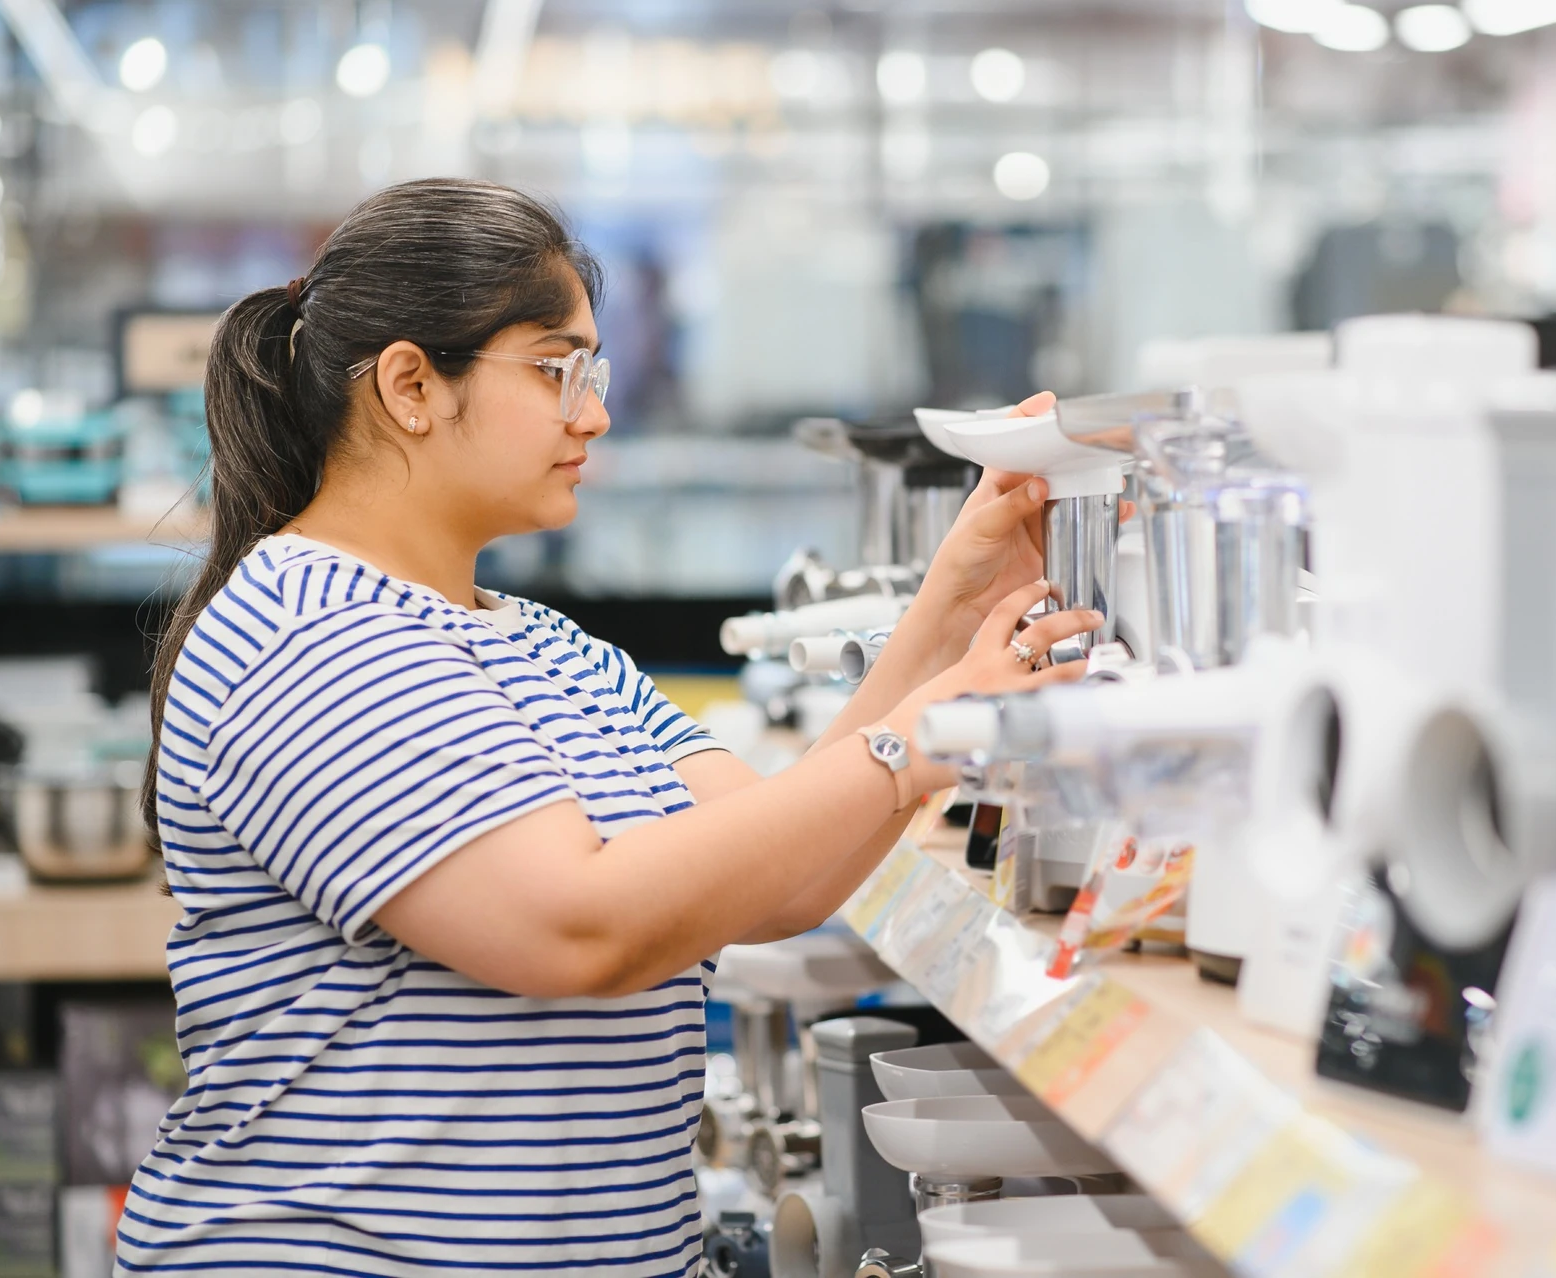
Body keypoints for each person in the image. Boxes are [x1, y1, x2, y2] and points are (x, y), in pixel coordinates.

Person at [119, 178, 1097, 1275]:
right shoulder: (310, 636)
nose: (594, 413)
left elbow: (777, 864)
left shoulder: (542, 644)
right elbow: (576, 927)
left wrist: (948, 611)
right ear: (409, 385)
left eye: (596, 371)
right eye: (555, 370)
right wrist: (916, 739)